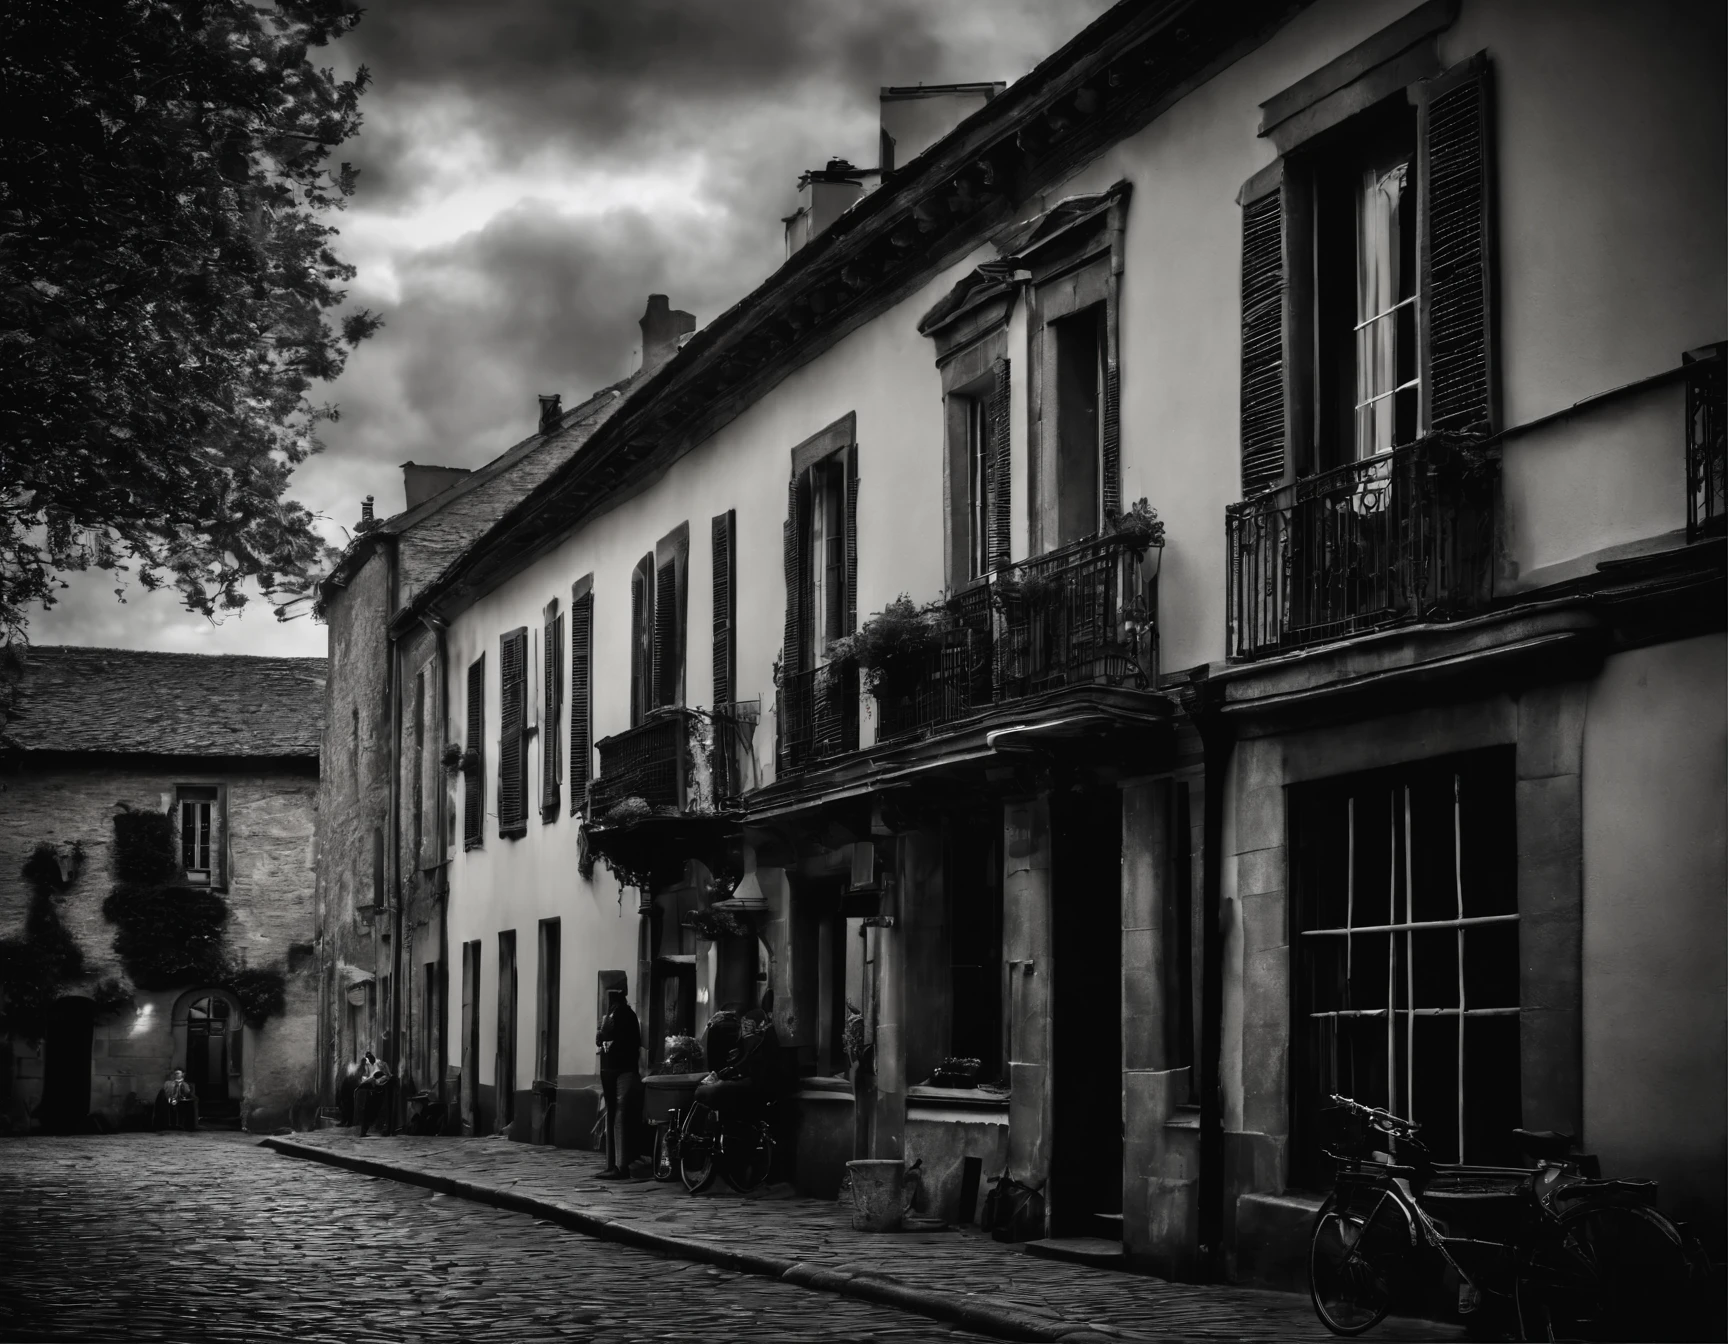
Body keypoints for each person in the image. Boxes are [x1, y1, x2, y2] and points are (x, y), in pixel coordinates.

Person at [693, 1008, 778, 1121]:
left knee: (703, 1092)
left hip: (756, 1088)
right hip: (753, 1086)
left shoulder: (754, 1041)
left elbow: (751, 1069)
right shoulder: (753, 1040)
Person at [595, 987, 641, 1178]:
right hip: (617, 1069)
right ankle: (615, 1164)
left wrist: (602, 1034)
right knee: (616, 1115)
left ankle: (620, 1166)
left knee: (618, 1115)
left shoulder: (620, 1015)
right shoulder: (622, 1014)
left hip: (620, 1070)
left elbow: (604, 1038)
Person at [356, 1051, 395, 1138]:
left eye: (371, 1058)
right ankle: (364, 1131)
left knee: (380, 1109)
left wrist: (379, 1081)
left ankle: (384, 1129)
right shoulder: (367, 1065)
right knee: (368, 1110)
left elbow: (388, 1075)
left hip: (381, 1089)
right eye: (368, 1059)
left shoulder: (381, 1064)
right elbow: (365, 1077)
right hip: (371, 1090)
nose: (370, 1060)